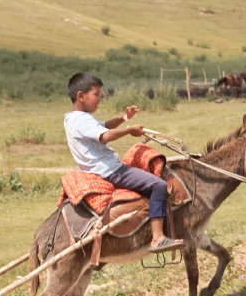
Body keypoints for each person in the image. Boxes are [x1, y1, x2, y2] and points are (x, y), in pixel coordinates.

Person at [64, 72, 182, 252]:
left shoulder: (72, 119)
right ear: (81, 95)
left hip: (100, 170)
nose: (99, 99)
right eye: (96, 94)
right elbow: (105, 135)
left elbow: (103, 126)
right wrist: (129, 130)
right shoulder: (82, 119)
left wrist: (123, 118)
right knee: (158, 185)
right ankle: (157, 238)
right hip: (111, 170)